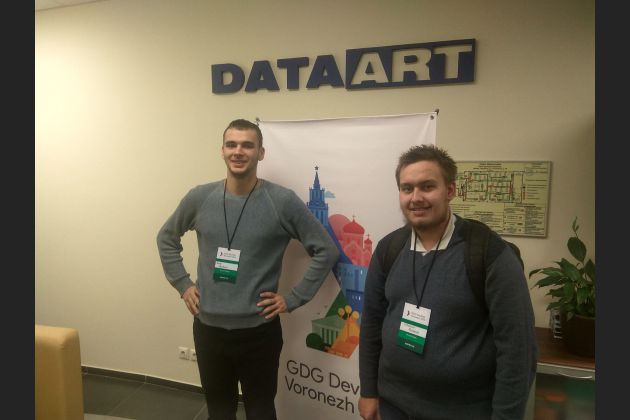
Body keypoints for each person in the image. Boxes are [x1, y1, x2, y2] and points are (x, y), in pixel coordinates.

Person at [157, 118, 339, 420]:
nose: (238, 151)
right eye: (231, 144)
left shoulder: (281, 201)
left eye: (247, 145)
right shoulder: (200, 197)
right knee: (219, 412)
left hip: (259, 334)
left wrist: (293, 298)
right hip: (208, 329)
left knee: (261, 412)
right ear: (222, 151)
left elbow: (326, 249)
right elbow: (166, 238)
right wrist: (183, 284)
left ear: (261, 153)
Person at [358, 144, 537, 420]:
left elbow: (518, 350)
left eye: (427, 186)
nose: (416, 198)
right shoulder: (388, 249)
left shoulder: (488, 253)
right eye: (407, 188)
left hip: (463, 411)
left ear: (450, 190)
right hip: (393, 405)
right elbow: (371, 322)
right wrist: (369, 391)